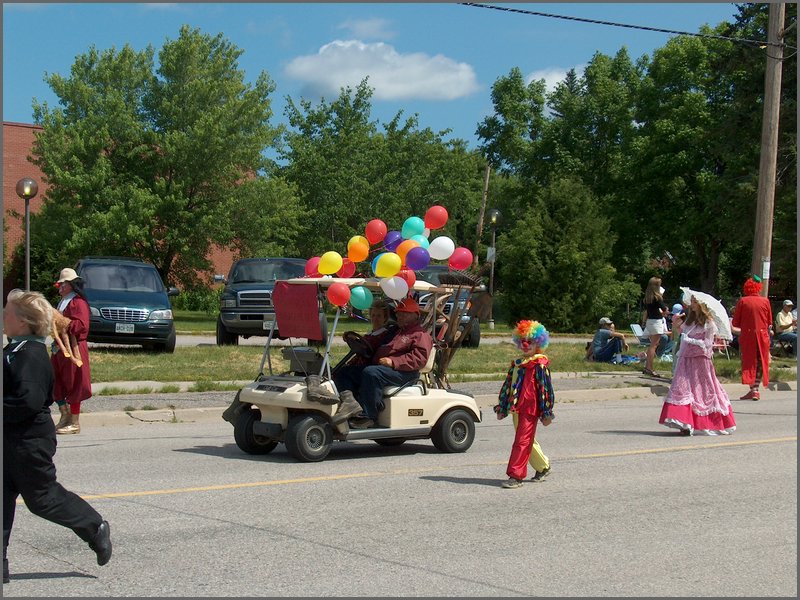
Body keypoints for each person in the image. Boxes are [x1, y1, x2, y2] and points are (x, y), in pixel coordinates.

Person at [3, 289, 112, 584]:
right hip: (10, 440)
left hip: (29, 443)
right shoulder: (14, 350)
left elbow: (26, 401)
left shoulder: (31, 356)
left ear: (23, 321)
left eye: (7, 311)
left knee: (42, 499)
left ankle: (94, 526)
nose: (3, 314)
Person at [335, 297, 433, 429]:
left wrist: (393, 362)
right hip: (386, 368)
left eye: (404, 314)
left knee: (371, 373)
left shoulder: (420, 334)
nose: (399, 316)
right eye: (398, 313)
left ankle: (368, 416)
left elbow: (419, 358)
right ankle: (350, 404)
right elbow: (376, 343)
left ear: (415, 315)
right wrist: (358, 341)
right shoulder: (395, 330)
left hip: (405, 372)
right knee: (344, 372)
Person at [658, 293, 736, 435]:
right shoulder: (689, 321)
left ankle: (704, 421)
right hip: (686, 359)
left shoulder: (709, 324)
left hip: (701, 361)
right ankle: (685, 423)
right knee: (681, 388)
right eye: (692, 301)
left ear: (701, 305)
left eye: (694, 301)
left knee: (702, 391)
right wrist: (677, 325)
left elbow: (707, 344)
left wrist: (692, 341)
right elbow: (681, 332)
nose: (691, 304)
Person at [494, 320, 556, 489]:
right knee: (526, 439)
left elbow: (546, 390)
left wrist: (546, 412)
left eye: (531, 341)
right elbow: (508, 386)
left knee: (521, 441)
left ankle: (516, 475)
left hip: (530, 408)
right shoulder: (518, 364)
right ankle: (543, 467)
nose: (526, 345)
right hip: (516, 408)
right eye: (523, 341)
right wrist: (502, 407)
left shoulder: (539, 365)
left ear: (539, 343)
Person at [51, 268, 92, 434]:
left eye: (62, 284)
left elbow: (82, 326)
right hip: (59, 348)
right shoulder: (64, 302)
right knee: (55, 381)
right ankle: (64, 416)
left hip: (74, 349)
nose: (59, 286)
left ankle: (74, 421)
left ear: (70, 285)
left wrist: (63, 323)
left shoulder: (78, 303)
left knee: (75, 383)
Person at [731, 275, 772, 400]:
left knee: (749, 362)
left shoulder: (743, 301)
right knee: (760, 361)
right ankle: (756, 389)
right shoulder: (765, 301)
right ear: (759, 288)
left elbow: (735, 323)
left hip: (748, 335)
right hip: (762, 335)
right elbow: (769, 321)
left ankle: (752, 389)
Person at [642, 277, 669, 377]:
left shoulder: (647, 298)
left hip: (650, 321)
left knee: (652, 345)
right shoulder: (657, 297)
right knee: (654, 345)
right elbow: (664, 308)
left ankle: (647, 367)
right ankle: (649, 368)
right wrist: (666, 310)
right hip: (656, 322)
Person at [669, 302, 686, 374]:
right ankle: (675, 372)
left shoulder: (674, 318)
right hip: (678, 339)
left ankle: (675, 371)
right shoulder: (677, 318)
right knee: (676, 356)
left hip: (676, 339)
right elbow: (678, 316)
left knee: (675, 356)